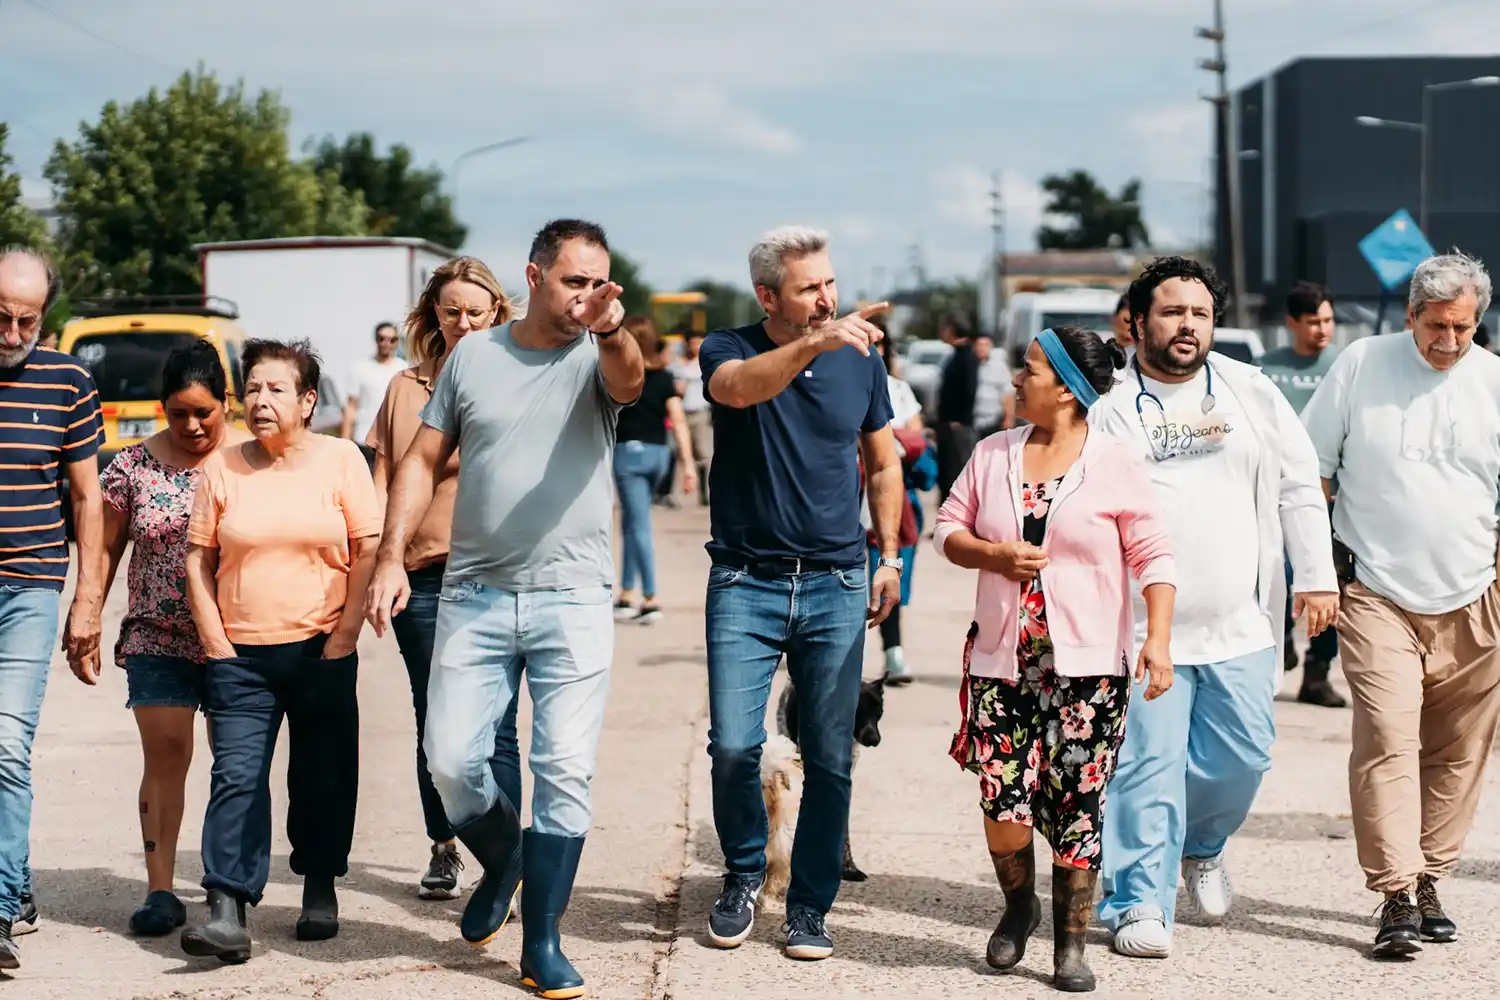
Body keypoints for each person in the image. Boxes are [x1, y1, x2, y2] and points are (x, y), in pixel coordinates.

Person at [365, 219, 643, 999]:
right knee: (450, 760)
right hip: (475, 593)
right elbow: (420, 459)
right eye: (574, 281)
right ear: (533, 276)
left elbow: (630, 380)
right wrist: (389, 556)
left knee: (564, 770)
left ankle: (542, 942)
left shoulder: (597, 352)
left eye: (598, 282)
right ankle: (508, 858)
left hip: (573, 597)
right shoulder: (474, 358)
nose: (586, 295)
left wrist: (612, 328)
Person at [1089, 256, 1338, 958]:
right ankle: (1137, 901)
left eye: (1199, 314)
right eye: (1172, 312)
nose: (1187, 325)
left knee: (1243, 760)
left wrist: (1316, 575)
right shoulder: (1106, 405)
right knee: (1146, 765)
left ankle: (1202, 844)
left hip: (1241, 622)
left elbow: (1298, 485)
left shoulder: (1249, 389)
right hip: (1143, 630)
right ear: (1137, 322)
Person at [936, 326, 1175, 992]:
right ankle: (1020, 906)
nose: (1017, 378)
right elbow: (948, 528)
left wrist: (1157, 639)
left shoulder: (1115, 461)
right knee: (1002, 800)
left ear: (1067, 390)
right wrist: (993, 554)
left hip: (1090, 671)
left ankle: (1070, 945)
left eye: (1031, 369)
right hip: (1002, 662)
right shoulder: (992, 453)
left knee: (1078, 803)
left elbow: (1154, 554)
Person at [698, 225, 903, 962]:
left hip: (837, 582)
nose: (826, 298)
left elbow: (883, 461)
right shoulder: (727, 347)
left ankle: (810, 906)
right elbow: (738, 390)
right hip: (745, 581)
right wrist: (816, 344)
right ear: (767, 296)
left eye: (829, 283)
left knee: (830, 756)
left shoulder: (861, 359)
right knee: (733, 746)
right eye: (809, 287)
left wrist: (890, 558)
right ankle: (744, 874)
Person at [1301, 251, 1500, 958]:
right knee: (1388, 737)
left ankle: (1429, 881)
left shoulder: (1494, 381)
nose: (1448, 341)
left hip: (1477, 596)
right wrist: (1316, 571)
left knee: (1459, 751)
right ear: (1411, 315)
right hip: (1377, 591)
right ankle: (1394, 894)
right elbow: (1311, 471)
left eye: (1463, 327)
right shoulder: (1361, 365)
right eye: (1436, 325)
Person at [180, 339, 380, 962]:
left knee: (323, 773)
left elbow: (367, 550)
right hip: (241, 656)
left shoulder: (341, 459)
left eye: (276, 389)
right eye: (253, 389)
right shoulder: (221, 466)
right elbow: (198, 558)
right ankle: (226, 907)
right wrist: (215, 641)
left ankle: (319, 884)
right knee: (235, 775)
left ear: (308, 400)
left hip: (321, 648)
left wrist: (344, 636)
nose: (260, 401)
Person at [65, 342, 249, 938]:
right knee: (166, 755)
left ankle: (228, 890)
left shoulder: (250, 461)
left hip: (238, 639)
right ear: (162, 408)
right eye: (178, 413)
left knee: (236, 765)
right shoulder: (131, 467)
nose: (192, 426)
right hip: (157, 635)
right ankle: (161, 890)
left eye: (204, 412)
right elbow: (103, 549)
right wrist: (87, 614)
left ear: (227, 403)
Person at [367, 257, 523, 901]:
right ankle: (444, 845)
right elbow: (383, 481)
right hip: (424, 579)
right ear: (434, 313)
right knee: (435, 720)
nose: (463, 322)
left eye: (475, 312)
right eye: (451, 310)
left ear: (496, 313)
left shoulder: (518, 379)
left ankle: (506, 860)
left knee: (499, 724)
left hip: (498, 574)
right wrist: (382, 562)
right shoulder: (405, 388)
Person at [0, 246, 105, 971]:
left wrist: (87, 603)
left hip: (30, 587)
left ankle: (1, 906)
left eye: (26, 321)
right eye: (0, 318)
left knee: (5, 743)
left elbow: (88, 498)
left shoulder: (69, 381)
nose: (12, 334)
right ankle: (17, 878)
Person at [1259, 281, 1345, 707]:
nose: (1322, 329)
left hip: (1332, 499)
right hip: (1274, 496)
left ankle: (1318, 672)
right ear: (1291, 323)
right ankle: (1281, 642)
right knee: (1277, 574)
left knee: (1328, 582)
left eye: (1328, 320)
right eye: (1313, 321)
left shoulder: (1345, 366)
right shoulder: (1265, 369)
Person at [613, 316, 696, 623]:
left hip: (628, 455)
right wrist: (688, 464)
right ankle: (626, 593)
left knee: (639, 526)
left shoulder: (621, 376)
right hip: (659, 455)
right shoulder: (664, 378)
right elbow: (678, 421)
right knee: (632, 523)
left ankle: (650, 598)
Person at [865, 332, 936, 686]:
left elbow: (916, 437)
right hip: (842, 497)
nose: (871, 350)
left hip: (893, 496)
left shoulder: (898, 389)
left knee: (890, 576)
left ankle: (893, 652)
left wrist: (888, 443)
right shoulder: (832, 382)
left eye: (877, 344)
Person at [342, 321, 404, 468]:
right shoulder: (360, 369)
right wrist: (344, 444)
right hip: (364, 442)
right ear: (376, 340)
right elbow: (351, 408)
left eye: (392, 340)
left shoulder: (404, 370)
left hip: (394, 445)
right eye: (382, 338)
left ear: (397, 342)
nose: (386, 343)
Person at [935, 314, 980, 504]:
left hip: (958, 426)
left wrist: (959, 419)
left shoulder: (967, 356)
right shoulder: (955, 354)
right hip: (948, 424)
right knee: (947, 471)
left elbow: (968, 390)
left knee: (957, 471)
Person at [669, 327, 713, 505]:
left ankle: (705, 494)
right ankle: (676, 495)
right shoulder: (678, 365)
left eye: (698, 343)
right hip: (681, 412)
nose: (695, 346)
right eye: (692, 343)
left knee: (703, 454)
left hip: (701, 413)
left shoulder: (708, 362)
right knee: (680, 454)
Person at [972, 333, 1016, 438]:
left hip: (993, 420)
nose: (981, 348)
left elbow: (1007, 394)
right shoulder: (970, 366)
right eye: (979, 345)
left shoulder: (999, 367)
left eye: (985, 345)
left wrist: (1008, 418)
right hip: (974, 419)